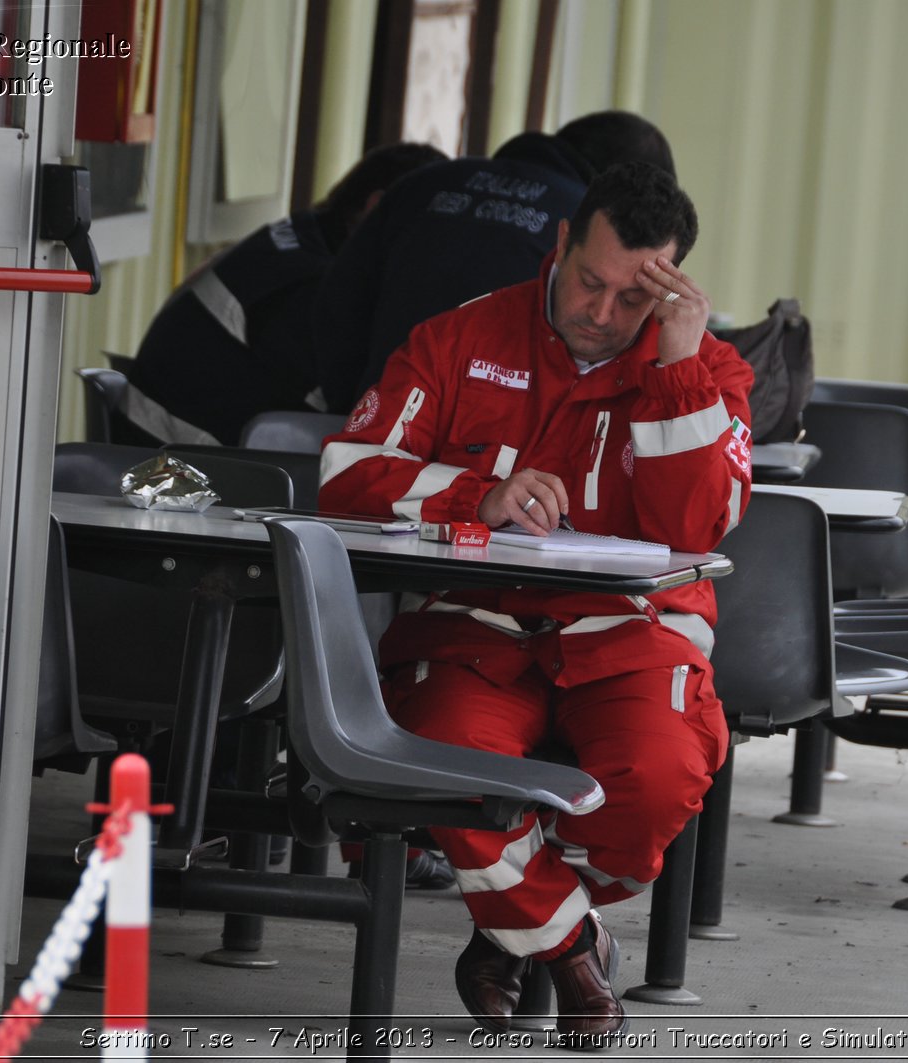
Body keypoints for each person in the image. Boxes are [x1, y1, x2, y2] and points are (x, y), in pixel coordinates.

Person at [319, 162, 754, 1048]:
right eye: (589, 281)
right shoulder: (458, 334)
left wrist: (674, 367)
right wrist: (474, 494)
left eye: (632, 299)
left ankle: (513, 928)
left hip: (635, 636)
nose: (600, 312)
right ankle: (575, 950)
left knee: (661, 777)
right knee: (438, 760)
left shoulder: (707, 369)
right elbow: (344, 476)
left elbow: (697, 529)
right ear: (559, 244)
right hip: (473, 628)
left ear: (672, 294)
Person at [311, 111, 676, 414]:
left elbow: (337, 304)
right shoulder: (589, 223)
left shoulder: (424, 184)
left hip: (381, 431)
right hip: (499, 460)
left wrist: (356, 408)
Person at [124, 142, 446, 445]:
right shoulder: (312, 286)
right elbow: (357, 406)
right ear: (375, 206)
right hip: (168, 458)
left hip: (170, 436)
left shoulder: (306, 235)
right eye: (429, 226)